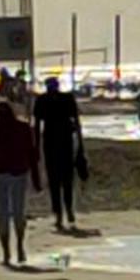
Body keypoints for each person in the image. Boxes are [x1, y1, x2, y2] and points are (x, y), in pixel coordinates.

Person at [0, 100, 41, 267]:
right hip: (18, 171)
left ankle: (7, 251)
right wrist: (36, 178)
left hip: (0, 172)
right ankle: (20, 246)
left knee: (2, 213)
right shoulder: (23, 128)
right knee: (18, 211)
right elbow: (32, 154)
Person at [34, 76, 84, 232]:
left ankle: (60, 214)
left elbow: (37, 125)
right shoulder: (67, 99)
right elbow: (76, 122)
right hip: (64, 141)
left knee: (55, 181)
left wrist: (36, 145)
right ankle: (67, 211)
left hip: (51, 142)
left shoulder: (42, 100)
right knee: (66, 180)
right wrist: (80, 144)